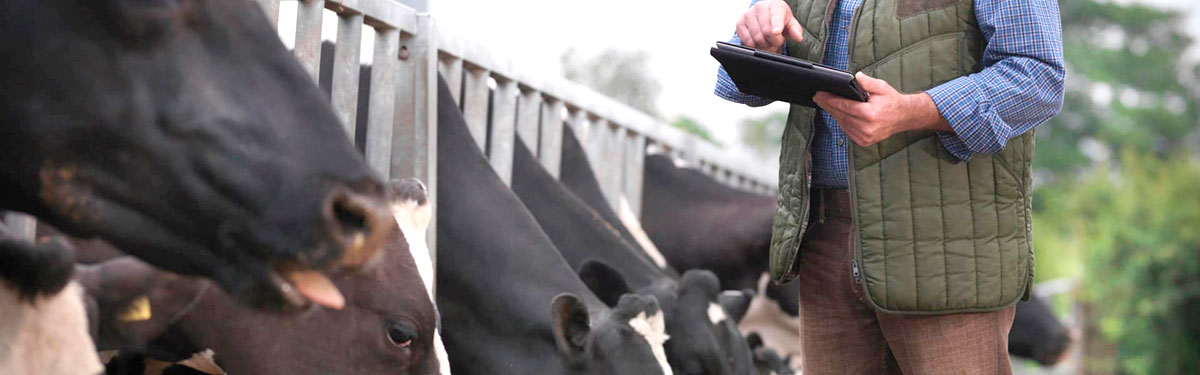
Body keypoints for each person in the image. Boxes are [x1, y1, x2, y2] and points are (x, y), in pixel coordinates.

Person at [714, 0, 1065, 373]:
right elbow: (738, 78)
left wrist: (914, 110)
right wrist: (760, 43)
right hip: (824, 239)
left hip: (949, 247)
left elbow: (1037, 76)